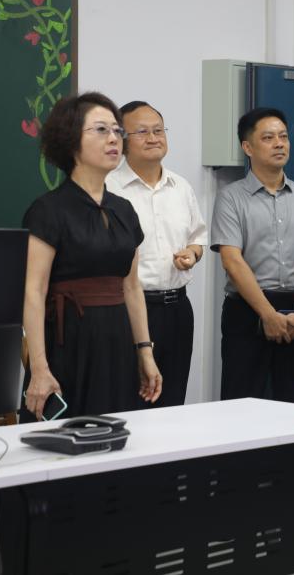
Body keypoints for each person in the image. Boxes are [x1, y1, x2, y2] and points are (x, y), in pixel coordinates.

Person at [21, 92, 163, 421]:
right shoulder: (48, 210)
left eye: (117, 130)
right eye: (101, 130)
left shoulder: (124, 210)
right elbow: (33, 291)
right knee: (61, 439)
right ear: (71, 140)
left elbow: (131, 287)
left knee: (117, 433)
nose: (114, 138)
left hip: (117, 340)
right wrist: (39, 368)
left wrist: (145, 351)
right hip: (68, 340)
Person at [211, 107, 294, 403]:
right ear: (247, 147)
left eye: (283, 137)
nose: (279, 144)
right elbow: (232, 261)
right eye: (268, 138)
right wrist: (266, 314)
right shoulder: (231, 197)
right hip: (247, 311)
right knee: (241, 402)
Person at [106, 101, 208, 407]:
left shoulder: (181, 187)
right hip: (127, 311)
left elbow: (198, 238)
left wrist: (192, 254)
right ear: (122, 139)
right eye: (142, 132)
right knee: (130, 401)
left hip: (177, 309)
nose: (153, 138)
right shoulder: (108, 188)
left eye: (159, 130)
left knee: (172, 401)